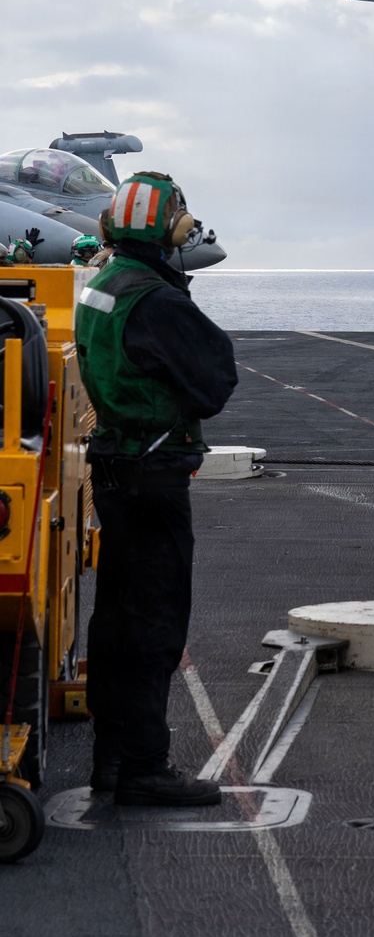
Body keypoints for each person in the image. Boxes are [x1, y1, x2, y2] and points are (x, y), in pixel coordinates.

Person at [75, 170, 238, 806]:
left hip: (115, 470)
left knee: (115, 620)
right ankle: (144, 768)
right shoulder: (158, 301)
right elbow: (214, 382)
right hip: (153, 475)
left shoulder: (103, 285)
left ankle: (112, 761)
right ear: (172, 228)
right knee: (154, 622)